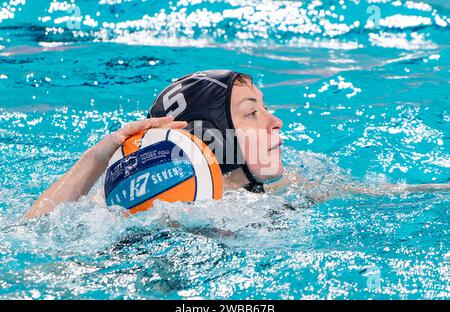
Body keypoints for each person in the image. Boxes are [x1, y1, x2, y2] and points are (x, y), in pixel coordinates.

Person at [25, 70, 450, 219]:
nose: (275, 121)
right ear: (210, 137)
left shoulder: (284, 190)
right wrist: (99, 156)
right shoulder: (143, 209)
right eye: (251, 113)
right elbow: (31, 233)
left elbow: (389, 198)